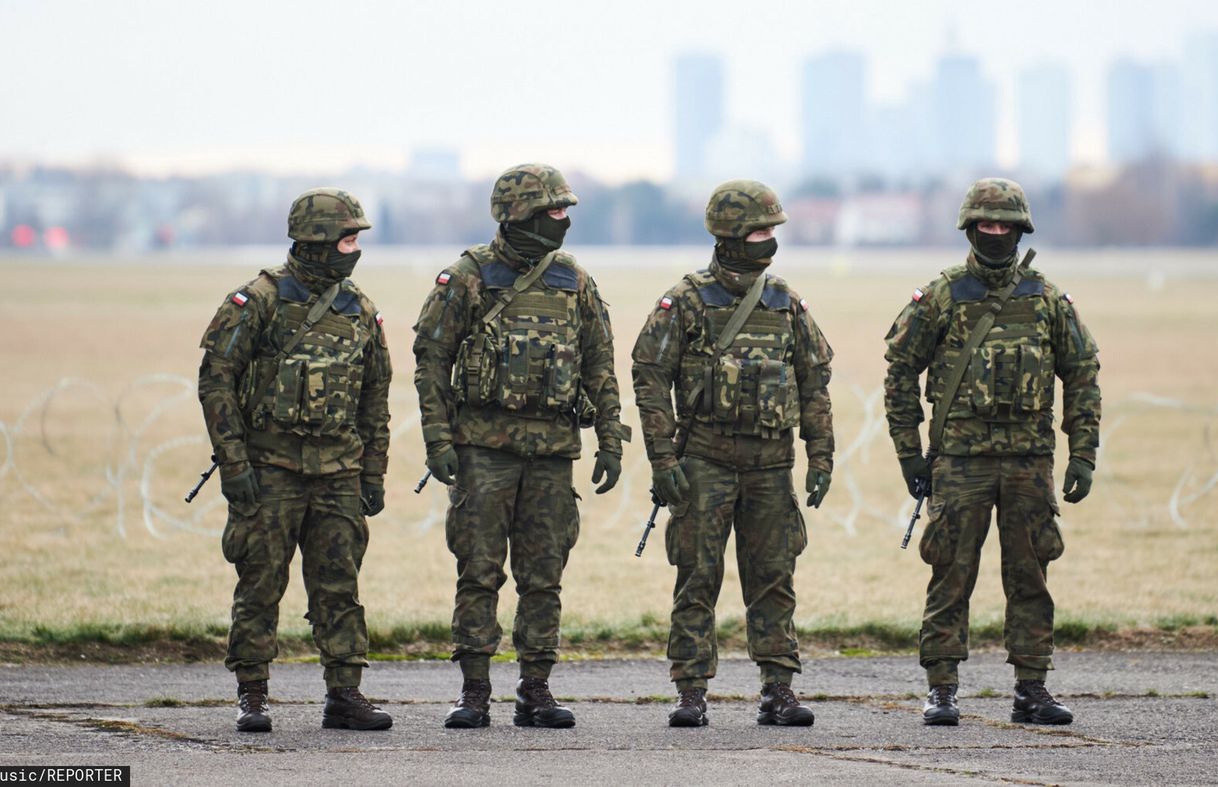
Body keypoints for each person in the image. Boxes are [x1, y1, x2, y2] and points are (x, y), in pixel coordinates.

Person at [412, 163, 630, 729]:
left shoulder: (574, 281)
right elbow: (431, 362)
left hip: (553, 454)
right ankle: (475, 692)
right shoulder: (467, 277)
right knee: (479, 572)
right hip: (483, 451)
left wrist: (611, 438)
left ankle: (536, 690)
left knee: (544, 575)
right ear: (519, 215)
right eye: (553, 211)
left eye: (565, 211)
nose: (563, 221)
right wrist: (438, 439)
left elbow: (600, 366)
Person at [882, 177, 1102, 726]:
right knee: (950, 575)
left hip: (1030, 462)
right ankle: (941, 689)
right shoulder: (941, 296)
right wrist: (910, 452)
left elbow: (1082, 375)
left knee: (1030, 576)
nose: (996, 233)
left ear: (1021, 227)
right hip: (959, 462)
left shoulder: (1047, 299)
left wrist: (1084, 452)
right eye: (986, 224)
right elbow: (900, 371)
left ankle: (1032, 690)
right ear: (969, 227)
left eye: (1006, 225)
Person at [631, 179, 835, 728]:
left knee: (774, 576)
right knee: (697, 577)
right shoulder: (689, 301)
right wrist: (663, 461)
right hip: (705, 462)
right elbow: (650, 376)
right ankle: (691, 690)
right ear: (730, 233)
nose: (770, 240)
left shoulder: (787, 304)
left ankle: (778, 689)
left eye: (773, 230)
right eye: (760, 230)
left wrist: (822, 457)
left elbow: (814, 382)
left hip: (772, 466)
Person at [197, 188, 393, 732]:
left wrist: (372, 472)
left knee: (339, 585)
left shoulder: (361, 309)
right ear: (315, 241)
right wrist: (234, 465)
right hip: (270, 471)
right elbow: (216, 382)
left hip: (338, 474)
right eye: (347, 239)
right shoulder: (257, 301)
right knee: (260, 583)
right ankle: (253, 694)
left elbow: (375, 397)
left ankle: (345, 694)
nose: (354, 250)